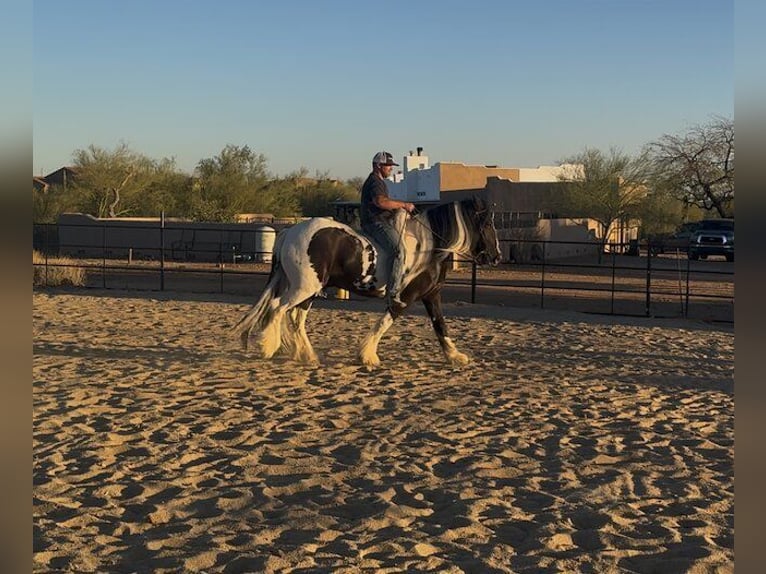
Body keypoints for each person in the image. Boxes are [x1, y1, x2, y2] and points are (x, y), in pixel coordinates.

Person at [360, 151, 416, 309]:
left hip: (376, 221)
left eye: (391, 166)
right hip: (376, 223)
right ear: (378, 166)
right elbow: (380, 202)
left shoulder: (377, 181)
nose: (391, 168)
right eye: (388, 165)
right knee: (399, 251)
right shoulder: (375, 182)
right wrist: (403, 205)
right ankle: (393, 293)